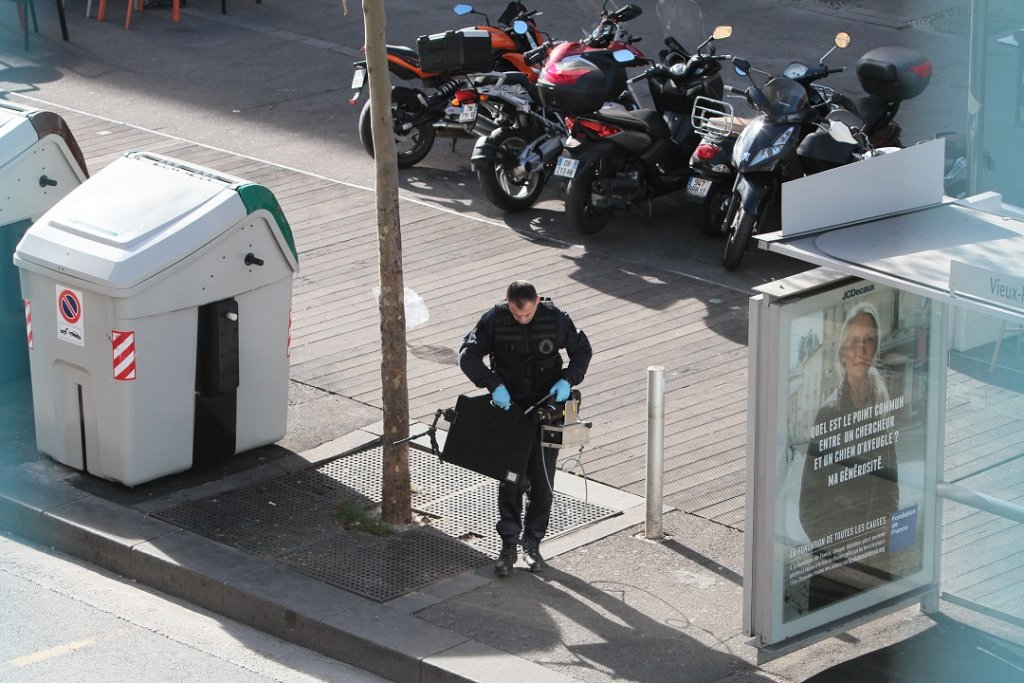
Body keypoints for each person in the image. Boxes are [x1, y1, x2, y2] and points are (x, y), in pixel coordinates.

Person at [458, 280, 592, 577]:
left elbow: (582, 350)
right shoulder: (494, 320)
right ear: (508, 304)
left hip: (547, 409)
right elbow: (467, 354)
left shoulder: (555, 319)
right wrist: (493, 385)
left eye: (527, 314)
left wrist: (568, 379)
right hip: (511, 411)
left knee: (542, 483)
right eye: (516, 314)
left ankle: (532, 544)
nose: (521, 319)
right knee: (511, 482)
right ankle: (508, 546)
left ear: (538, 301)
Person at [798, 302, 900, 610]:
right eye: (854, 341)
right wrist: (840, 550)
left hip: (874, 559)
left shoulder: (881, 403)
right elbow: (809, 504)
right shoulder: (829, 412)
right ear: (842, 351)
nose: (862, 350)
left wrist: (886, 528)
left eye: (869, 340)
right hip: (836, 566)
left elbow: (890, 482)